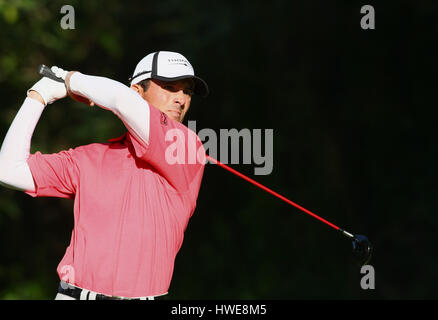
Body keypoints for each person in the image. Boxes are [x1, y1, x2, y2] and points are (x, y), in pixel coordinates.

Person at [0, 51, 209, 300]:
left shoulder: (185, 148)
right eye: (169, 87)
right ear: (137, 91)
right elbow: (8, 170)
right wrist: (38, 96)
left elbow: (121, 101)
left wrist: (69, 79)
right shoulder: (89, 158)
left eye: (187, 92)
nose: (180, 99)